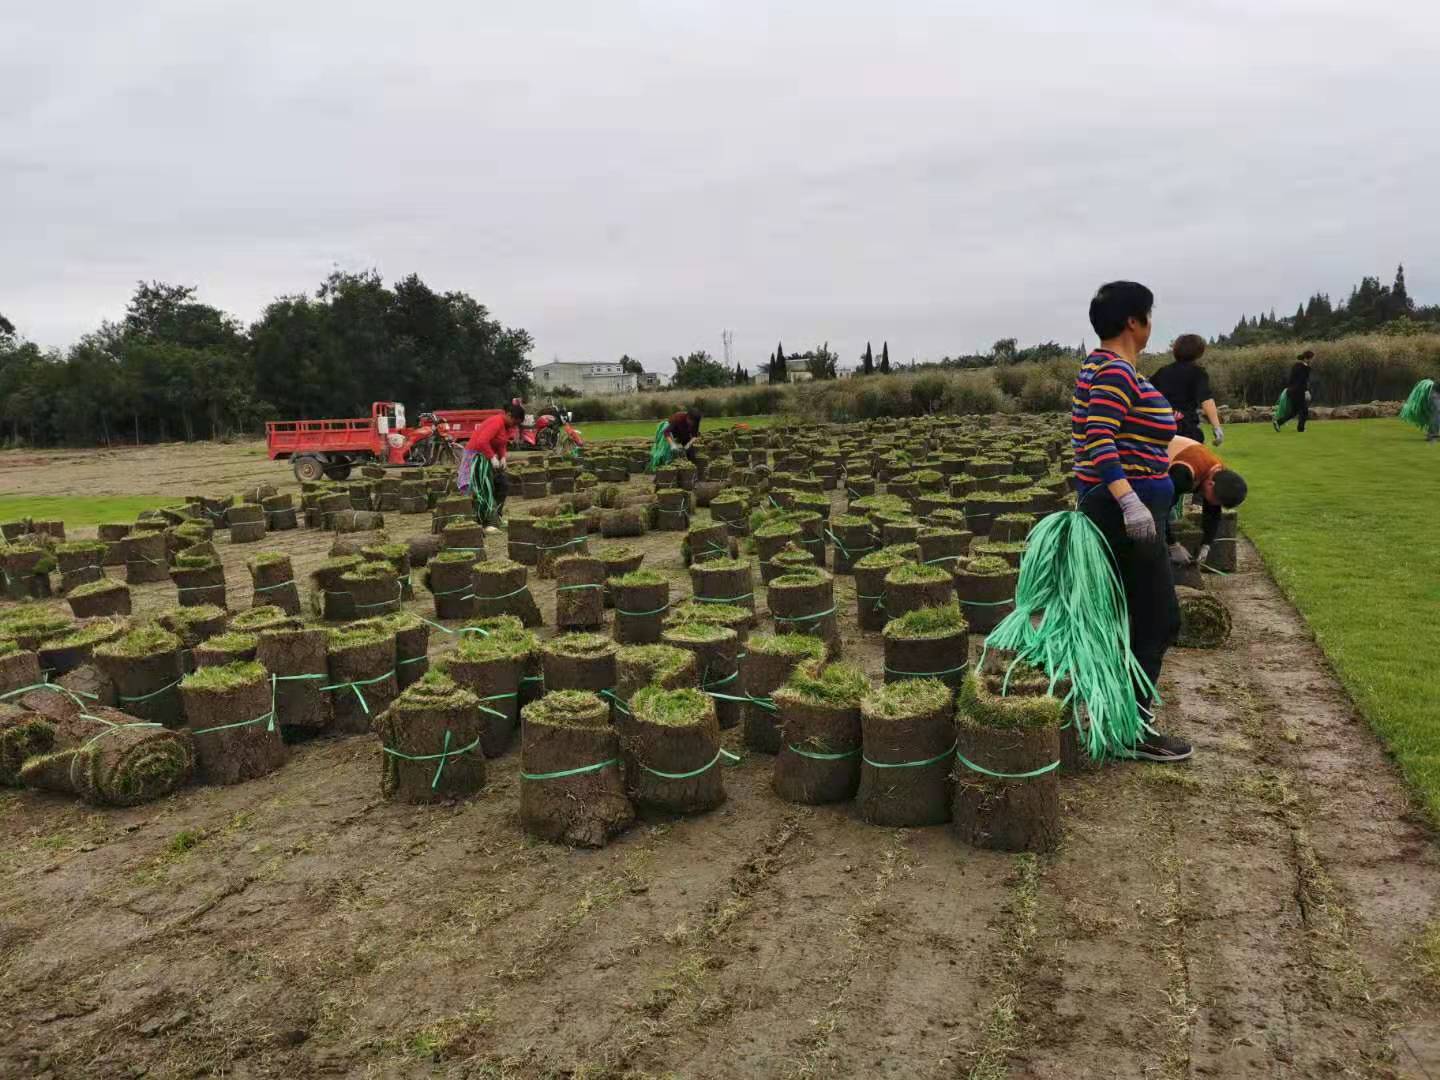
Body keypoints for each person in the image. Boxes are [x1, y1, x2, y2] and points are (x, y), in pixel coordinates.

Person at [1072, 281, 1189, 763]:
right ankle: (1132, 730)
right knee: (1158, 619)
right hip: (1128, 512)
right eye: (1148, 316)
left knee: (1131, 617)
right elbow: (1099, 437)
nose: (1150, 325)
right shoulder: (1116, 370)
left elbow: (1111, 432)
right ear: (1133, 323)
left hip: (1128, 505)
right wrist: (1129, 502)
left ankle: (1119, 716)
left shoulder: (1105, 369)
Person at [1165, 435, 1248, 566]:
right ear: (1210, 484)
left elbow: (1213, 512)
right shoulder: (1183, 475)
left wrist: (1206, 544)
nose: (1215, 504)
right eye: (1216, 500)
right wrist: (1173, 545)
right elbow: (1158, 511)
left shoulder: (1218, 473)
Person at [1150, 333, 1223, 445]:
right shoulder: (1198, 373)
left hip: (1161, 430)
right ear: (1199, 352)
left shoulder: (1162, 372)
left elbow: (1147, 395)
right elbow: (1206, 399)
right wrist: (1217, 428)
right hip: (1187, 430)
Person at [460, 403, 524, 528]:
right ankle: (488, 522)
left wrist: (503, 457)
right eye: (515, 422)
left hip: (488, 458)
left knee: (503, 484)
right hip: (477, 458)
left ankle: (496, 516)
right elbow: (481, 441)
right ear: (509, 415)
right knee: (484, 489)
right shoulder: (496, 422)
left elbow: (502, 443)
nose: (515, 426)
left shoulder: (506, 426)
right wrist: (492, 457)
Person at [1275, 350, 1313, 432]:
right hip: (1299, 392)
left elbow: (1291, 379)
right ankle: (1301, 428)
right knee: (1304, 411)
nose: (1311, 360)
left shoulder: (1296, 366)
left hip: (1291, 391)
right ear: (1307, 359)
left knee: (1294, 411)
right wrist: (1306, 391)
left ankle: (1278, 422)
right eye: (1310, 359)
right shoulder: (1305, 368)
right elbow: (1303, 381)